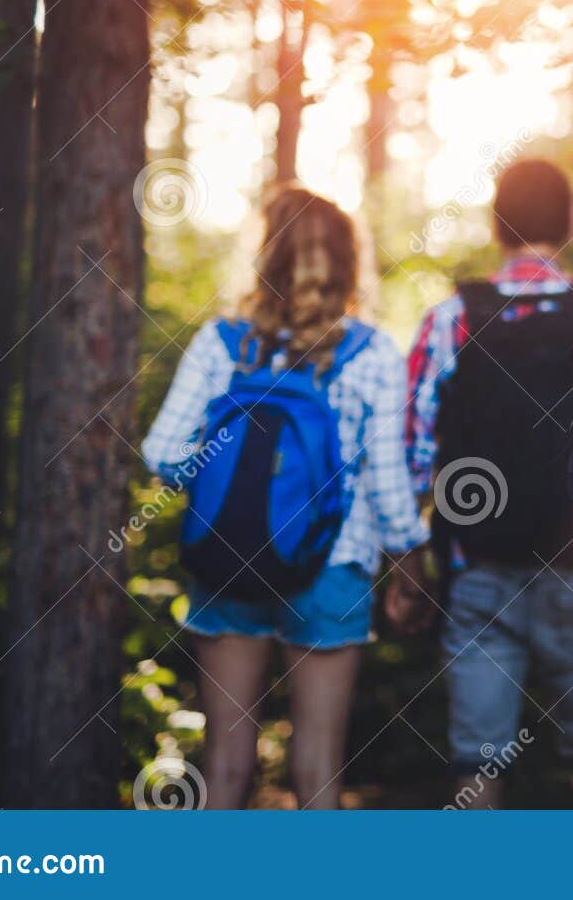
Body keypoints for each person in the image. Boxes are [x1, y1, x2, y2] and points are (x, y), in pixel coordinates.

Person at [142, 185, 431, 809]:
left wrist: (234, 488)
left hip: (225, 561)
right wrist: (411, 565)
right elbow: (386, 480)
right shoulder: (372, 352)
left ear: (265, 258)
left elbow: (162, 452)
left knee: (224, 766)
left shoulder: (221, 344)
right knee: (319, 770)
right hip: (332, 565)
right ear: (347, 265)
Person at [406, 158, 573, 809]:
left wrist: (411, 560)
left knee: (478, 758)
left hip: (478, 564)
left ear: (494, 222)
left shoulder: (453, 317)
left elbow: (414, 451)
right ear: (567, 222)